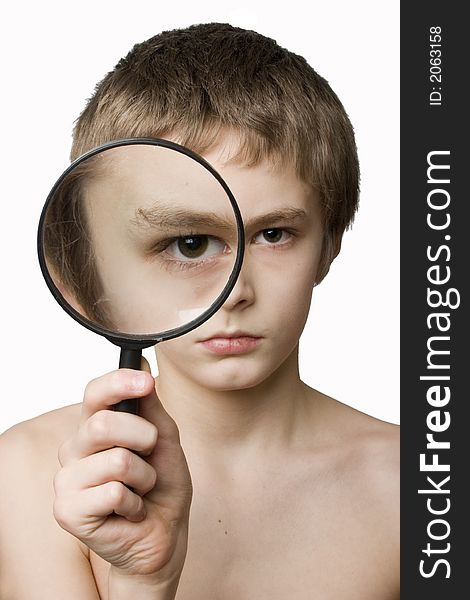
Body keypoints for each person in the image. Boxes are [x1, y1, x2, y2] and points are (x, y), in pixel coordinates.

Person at [0, 23, 399, 599]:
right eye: (190, 244)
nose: (235, 292)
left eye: (275, 233)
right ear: (101, 266)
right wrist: (142, 580)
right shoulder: (29, 477)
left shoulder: (420, 490)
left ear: (331, 242)